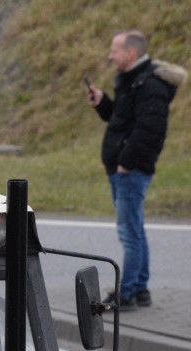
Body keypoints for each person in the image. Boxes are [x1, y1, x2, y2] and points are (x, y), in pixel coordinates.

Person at [85, 30, 185, 311]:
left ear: (130, 53)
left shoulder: (149, 85)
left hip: (130, 171)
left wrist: (125, 164)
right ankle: (140, 290)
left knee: (129, 234)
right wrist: (103, 102)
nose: (109, 55)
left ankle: (125, 295)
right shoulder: (133, 81)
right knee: (136, 231)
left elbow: (148, 131)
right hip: (126, 168)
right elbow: (123, 119)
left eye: (114, 50)